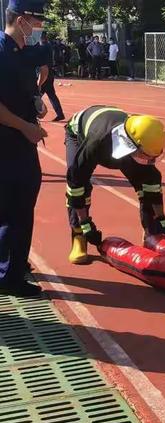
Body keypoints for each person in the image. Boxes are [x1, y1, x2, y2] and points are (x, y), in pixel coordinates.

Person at [65, 106, 165, 264]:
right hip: (79, 133)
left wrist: (162, 221)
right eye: (147, 156)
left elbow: (153, 187)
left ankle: (151, 234)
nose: (150, 161)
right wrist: (85, 224)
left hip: (120, 134)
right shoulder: (97, 143)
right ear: (131, 145)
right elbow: (75, 185)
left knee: (147, 180)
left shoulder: (141, 140)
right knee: (80, 183)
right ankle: (78, 236)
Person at [0, 0, 49, 297]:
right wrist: (26, 127)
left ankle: (11, 264)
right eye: (37, 20)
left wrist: (37, 102)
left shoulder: (20, 53)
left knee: (16, 209)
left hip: (21, 143)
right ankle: (10, 277)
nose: (40, 27)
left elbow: (25, 89)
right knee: (15, 211)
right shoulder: (1, 53)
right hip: (7, 146)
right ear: (21, 21)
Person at [38, 32, 65, 121]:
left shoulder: (43, 47)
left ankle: (33, 114)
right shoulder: (49, 46)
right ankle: (60, 114)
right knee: (52, 95)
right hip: (50, 73)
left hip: (45, 73)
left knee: (36, 95)